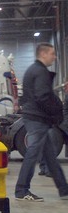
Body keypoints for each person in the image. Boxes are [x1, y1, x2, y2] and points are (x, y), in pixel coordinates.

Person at [14, 43, 68, 201]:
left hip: (35, 117)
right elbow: (43, 96)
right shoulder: (40, 71)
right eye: (52, 53)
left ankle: (64, 190)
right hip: (37, 118)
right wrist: (56, 112)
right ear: (43, 54)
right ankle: (22, 190)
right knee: (32, 153)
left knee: (49, 156)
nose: (55, 56)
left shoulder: (33, 70)